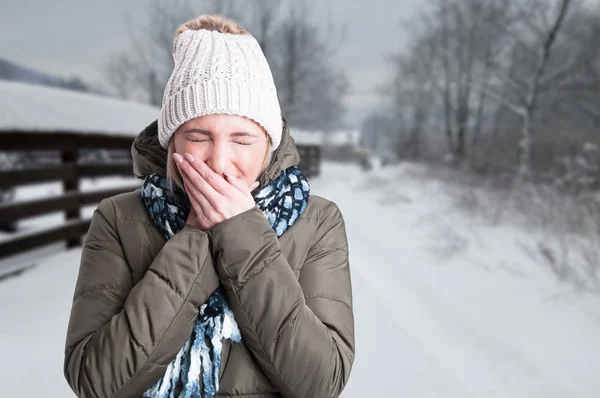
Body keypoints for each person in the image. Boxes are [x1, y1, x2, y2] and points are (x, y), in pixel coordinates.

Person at [63, 14, 354, 398]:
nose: (219, 161)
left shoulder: (317, 221)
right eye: (199, 136)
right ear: (172, 143)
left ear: (268, 144)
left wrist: (241, 233)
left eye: (242, 140)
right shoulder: (119, 219)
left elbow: (322, 383)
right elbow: (94, 381)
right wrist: (197, 238)